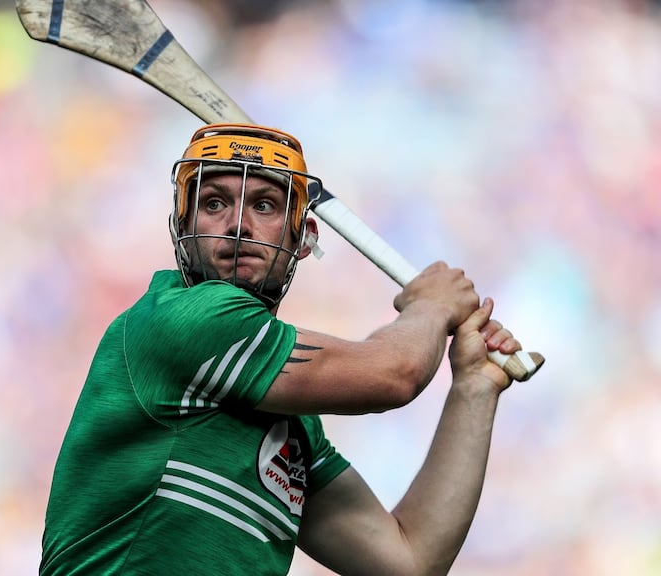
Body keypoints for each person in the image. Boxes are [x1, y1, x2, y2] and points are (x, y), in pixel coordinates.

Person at [39, 124, 524, 576]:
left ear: (304, 237)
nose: (236, 224)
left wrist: (474, 387)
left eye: (266, 206)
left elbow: (408, 559)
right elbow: (396, 374)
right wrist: (430, 307)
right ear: (182, 225)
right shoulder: (185, 319)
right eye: (213, 203)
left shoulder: (288, 423)